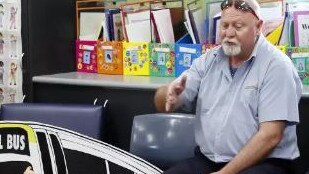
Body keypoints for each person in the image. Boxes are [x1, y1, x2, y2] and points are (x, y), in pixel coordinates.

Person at [154, 0, 302, 173]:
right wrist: (168, 95)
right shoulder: (207, 61)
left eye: (238, 26)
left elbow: (271, 136)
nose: (229, 33)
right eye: (224, 26)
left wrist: (225, 173)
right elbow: (163, 102)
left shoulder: (277, 66)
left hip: (265, 162)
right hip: (209, 160)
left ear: (258, 26)